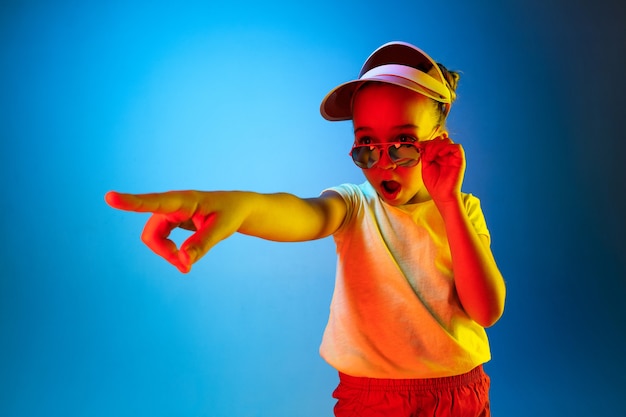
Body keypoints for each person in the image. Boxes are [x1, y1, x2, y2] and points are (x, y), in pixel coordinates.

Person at [105, 41, 506, 417]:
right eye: (366, 145)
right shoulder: (352, 206)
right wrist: (237, 207)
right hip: (369, 398)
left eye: (403, 143)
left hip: (454, 394)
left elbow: (486, 311)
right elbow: (298, 213)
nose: (384, 163)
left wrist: (449, 202)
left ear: (441, 143)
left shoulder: (463, 210)